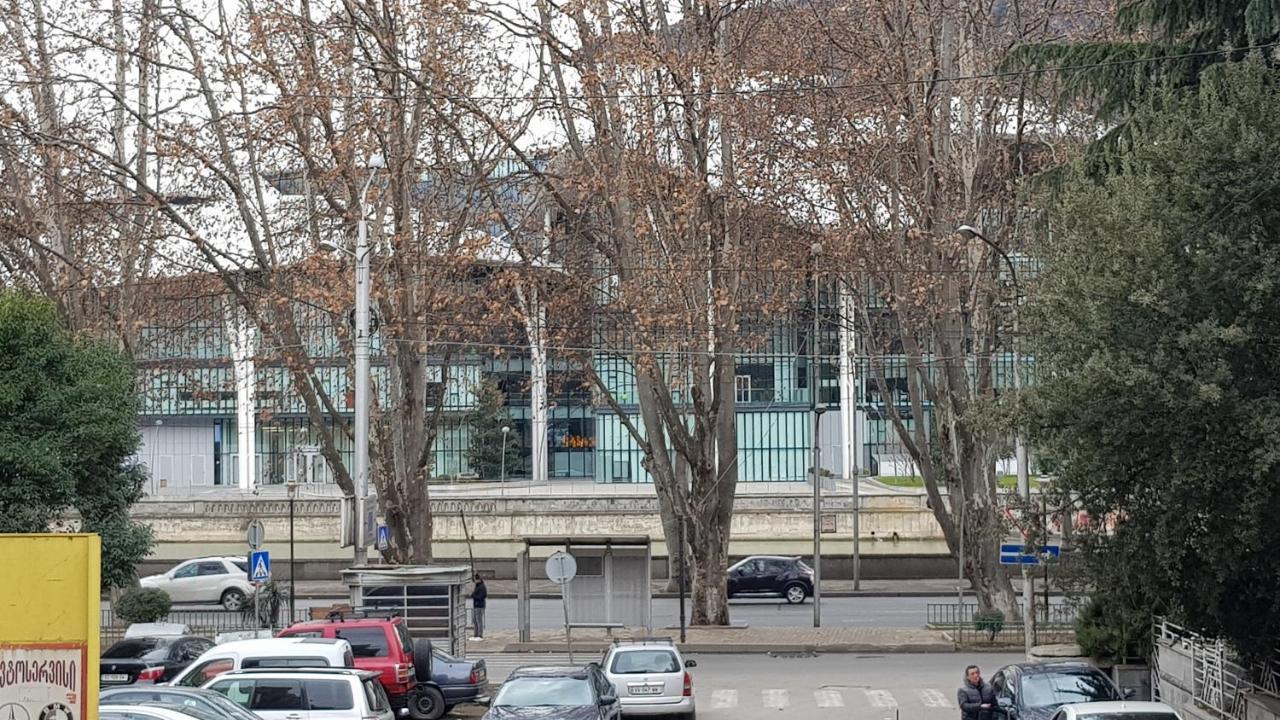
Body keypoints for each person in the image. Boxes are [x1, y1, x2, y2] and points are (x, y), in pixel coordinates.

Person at [469, 574, 487, 640]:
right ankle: (476, 634)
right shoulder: (478, 586)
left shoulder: (482, 587)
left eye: (475, 580)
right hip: (476, 605)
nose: (474, 581)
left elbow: (482, 596)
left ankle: (479, 634)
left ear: (478, 579)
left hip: (479, 605)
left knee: (478, 620)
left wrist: (473, 596)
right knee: (475, 620)